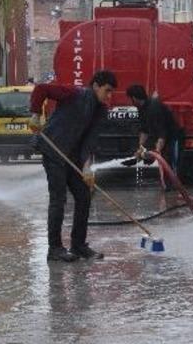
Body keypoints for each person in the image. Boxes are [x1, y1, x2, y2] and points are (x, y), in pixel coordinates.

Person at [30, 70, 117, 262]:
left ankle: (78, 246)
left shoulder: (100, 110)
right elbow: (41, 89)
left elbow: (89, 141)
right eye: (107, 91)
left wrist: (86, 167)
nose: (109, 96)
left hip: (72, 157)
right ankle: (55, 249)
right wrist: (36, 114)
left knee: (84, 196)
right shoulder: (74, 94)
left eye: (111, 93)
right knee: (58, 199)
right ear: (95, 86)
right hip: (53, 150)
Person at [126, 84, 184, 171]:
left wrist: (157, 151)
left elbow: (162, 132)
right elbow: (144, 130)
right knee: (163, 165)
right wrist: (141, 148)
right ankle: (166, 181)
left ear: (134, 98)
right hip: (160, 136)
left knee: (170, 164)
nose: (131, 102)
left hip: (173, 137)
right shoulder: (141, 108)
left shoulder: (154, 108)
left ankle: (174, 181)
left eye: (130, 99)